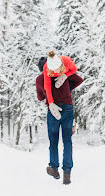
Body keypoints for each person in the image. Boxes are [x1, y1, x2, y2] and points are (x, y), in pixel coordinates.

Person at [36, 54, 83, 185]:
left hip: (53, 111)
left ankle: (54, 168)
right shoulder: (63, 70)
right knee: (67, 141)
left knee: (54, 141)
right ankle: (67, 173)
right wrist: (67, 85)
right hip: (67, 108)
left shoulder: (40, 79)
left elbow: (40, 97)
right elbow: (79, 80)